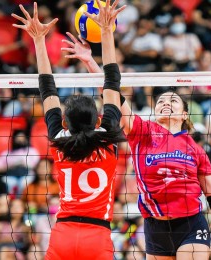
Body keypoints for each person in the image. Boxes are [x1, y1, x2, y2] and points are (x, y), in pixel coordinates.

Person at [65, 22, 211, 260]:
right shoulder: (142, 131)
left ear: (185, 114)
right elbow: (112, 94)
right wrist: (90, 61)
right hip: (155, 227)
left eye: (173, 101)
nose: (166, 102)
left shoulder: (195, 149)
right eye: (161, 101)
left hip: (190, 225)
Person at [12, 1, 126, 259]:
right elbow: (112, 79)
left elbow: (46, 88)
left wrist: (37, 41)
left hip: (63, 233)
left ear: (65, 123)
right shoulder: (108, 139)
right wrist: (106, 31)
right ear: (98, 120)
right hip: (97, 237)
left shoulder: (59, 141)